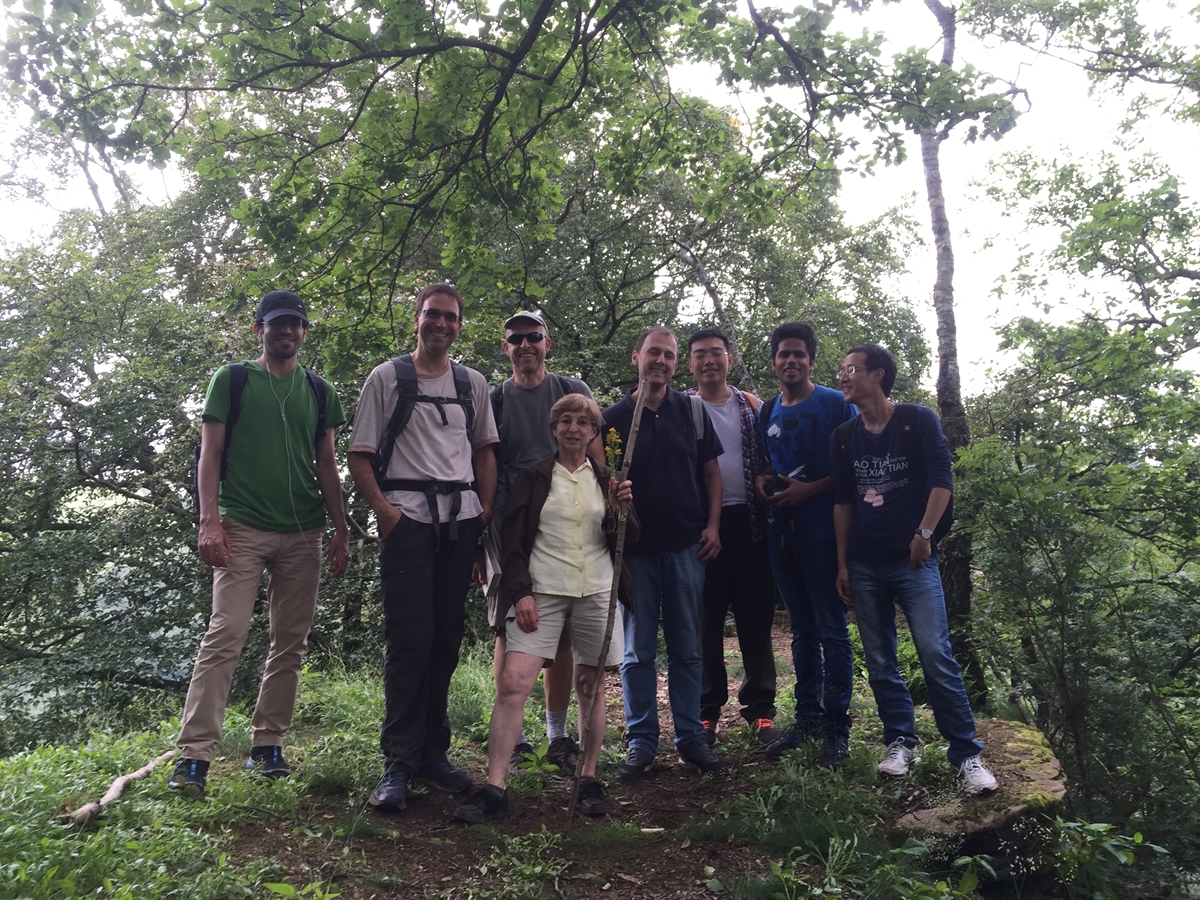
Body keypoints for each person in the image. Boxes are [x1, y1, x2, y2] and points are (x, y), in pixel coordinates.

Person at [169, 289, 349, 799]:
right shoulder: (233, 380)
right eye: (277, 324)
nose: (286, 331)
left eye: (295, 323)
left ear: (305, 332)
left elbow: (327, 465)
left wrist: (340, 529)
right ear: (260, 330)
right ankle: (194, 756)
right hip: (241, 526)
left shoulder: (319, 391)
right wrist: (210, 521)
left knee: (289, 643)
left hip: (304, 532)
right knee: (225, 635)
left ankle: (267, 745)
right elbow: (210, 454)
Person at [347, 283, 499, 813]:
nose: (442, 324)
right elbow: (360, 455)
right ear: (417, 319)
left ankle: (434, 753)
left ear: (460, 325)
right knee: (410, 641)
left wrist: (481, 511)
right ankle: (398, 763)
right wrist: (388, 516)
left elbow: (484, 453)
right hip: (409, 524)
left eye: (451, 317)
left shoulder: (471, 383)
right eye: (433, 315)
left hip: (458, 525)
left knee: (446, 640)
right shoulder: (387, 378)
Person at [455, 395, 636, 822]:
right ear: (554, 428)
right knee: (514, 682)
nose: (574, 428)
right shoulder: (533, 477)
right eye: (566, 421)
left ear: (594, 433)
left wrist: (625, 508)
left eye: (583, 423)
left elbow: (629, 540)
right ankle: (495, 787)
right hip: (543, 591)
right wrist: (521, 593)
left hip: (595, 590)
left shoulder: (608, 481)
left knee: (590, 686)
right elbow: (514, 541)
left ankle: (588, 779)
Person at [831, 343, 997, 794]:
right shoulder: (844, 435)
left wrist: (925, 535)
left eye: (851, 369)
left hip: (913, 560)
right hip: (864, 564)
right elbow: (843, 502)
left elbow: (943, 479)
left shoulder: (916, 419)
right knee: (881, 660)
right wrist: (843, 563)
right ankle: (900, 742)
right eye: (842, 370)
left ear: (878, 375)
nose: (843, 377)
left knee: (935, 654)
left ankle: (966, 754)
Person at [602, 325, 728, 778]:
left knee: (687, 648)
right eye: (653, 353)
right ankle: (641, 742)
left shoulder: (691, 412)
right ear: (636, 357)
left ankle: (691, 738)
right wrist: (613, 495)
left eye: (669, 356)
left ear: (676, 364)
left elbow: (712, 474)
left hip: (685, 547)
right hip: (634, 553)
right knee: (637, 651)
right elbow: (599, 481)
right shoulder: (612, 418)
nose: (661, 361)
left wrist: (712, 525)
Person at [476, 310, 595, 776]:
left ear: (549, 343)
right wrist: (480, 538)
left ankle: (556, 734)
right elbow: (482, 465)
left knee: (561, 631)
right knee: (511, 629)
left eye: (534, 337)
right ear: (505, 348)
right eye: (515, 338)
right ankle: (518, 737)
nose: (525, 344)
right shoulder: (495, 399)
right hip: (510, 527)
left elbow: (595, 454)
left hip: (567, 526)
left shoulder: (573, 390)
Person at [753, 323, 857, 766]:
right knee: (801, 631)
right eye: (783, 354)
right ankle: (807, 717)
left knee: (832, 630)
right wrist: (762, 480)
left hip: (825, 533)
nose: (791, 361)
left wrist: (809, 492)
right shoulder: (768, 410)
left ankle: (837, 727)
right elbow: (766, 462)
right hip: (782, 536)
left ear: (811, 360)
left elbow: (855, 468)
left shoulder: (836, 403)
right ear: (774, 362)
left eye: (799, 354)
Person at [684, 328, 779, 747]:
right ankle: (706, 713)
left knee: (755, 618)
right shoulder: (681, 408)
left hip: (751, 523)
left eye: (716, 353)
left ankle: (760, 710)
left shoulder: (752, 405)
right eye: (701, 354)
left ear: (729, 359)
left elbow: (771, 459)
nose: (709, 361)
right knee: (705, 622)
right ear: (690, 363)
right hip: (702, 526)